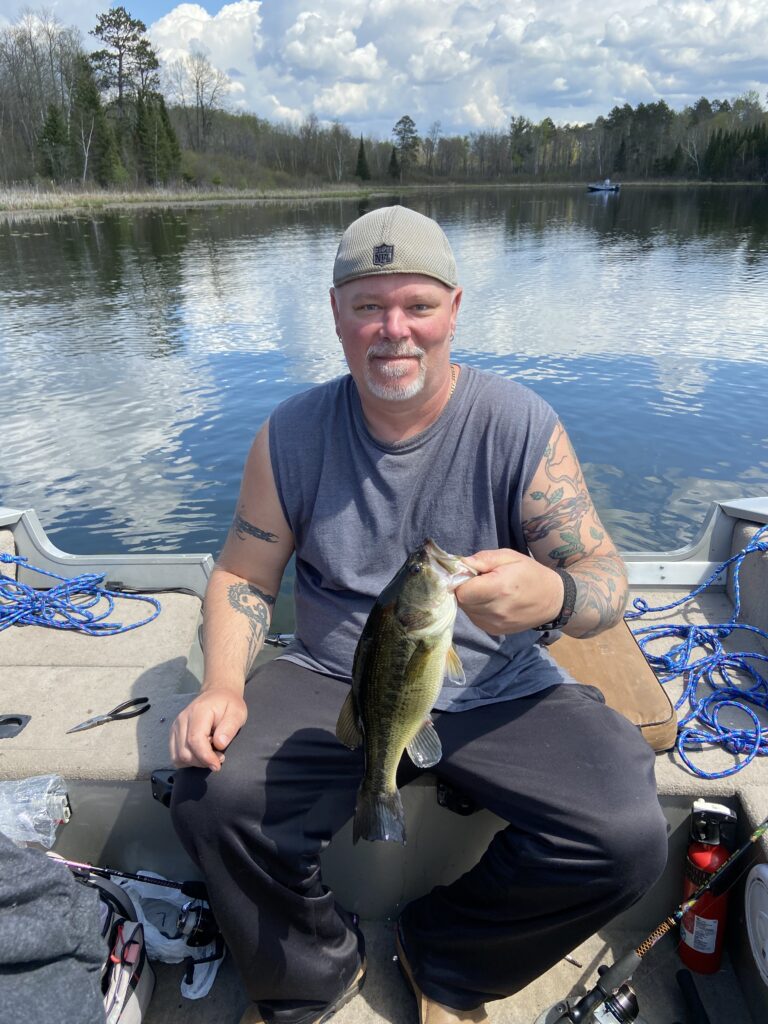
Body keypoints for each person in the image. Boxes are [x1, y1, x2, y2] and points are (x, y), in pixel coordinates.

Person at [169, 205, 667, 1024]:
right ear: (336, 315)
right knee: (210, 799)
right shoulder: (291, 433)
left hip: (497, 681)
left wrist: (558, 595)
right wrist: (223, 684)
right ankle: (316, 974)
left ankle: (445, 953)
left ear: (454, 311)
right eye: (368, 306)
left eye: (417, 306)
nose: (393, 331)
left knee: (626, 836)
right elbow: (244, 572)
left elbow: (603, 575)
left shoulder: (519, 423)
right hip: (337, 672)